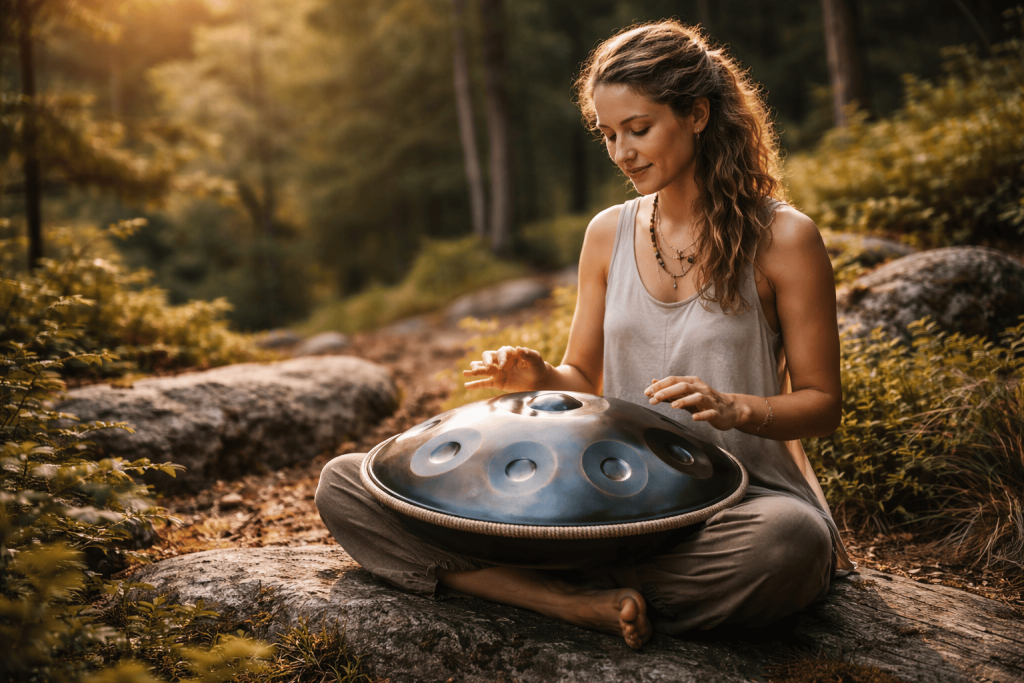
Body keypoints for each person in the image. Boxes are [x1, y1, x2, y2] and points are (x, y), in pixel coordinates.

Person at [316, 19, 855, 650]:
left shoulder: (785, 239)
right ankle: (564, 600)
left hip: (733, 507)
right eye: (607, 135)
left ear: (699, 115)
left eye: (639, 129)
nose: (622, 152)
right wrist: (535, 379)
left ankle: (527, 578)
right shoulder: (607, 233)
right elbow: (580, 379)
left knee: (790, 544)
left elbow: (821, 403)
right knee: (349, 483)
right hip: (600, 508)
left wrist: (736, 407)